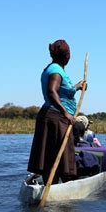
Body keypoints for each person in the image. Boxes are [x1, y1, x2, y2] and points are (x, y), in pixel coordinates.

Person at [27, 39, 87, 184]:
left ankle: (53, 186)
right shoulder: (56, 70)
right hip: (56, 118)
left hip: (51, 115)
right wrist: (66, 113)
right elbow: (52, 92)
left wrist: (77, 86)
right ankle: (56, 189)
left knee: (52, 155)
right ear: (66, 56)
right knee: (57, 155)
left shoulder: (53, 68)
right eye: (69, 54)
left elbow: (61, 91)